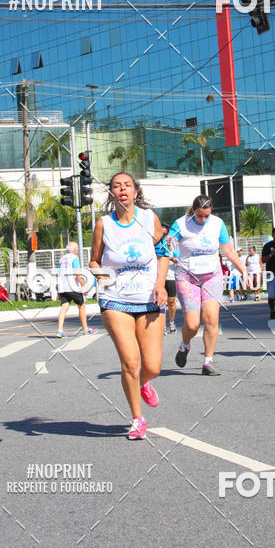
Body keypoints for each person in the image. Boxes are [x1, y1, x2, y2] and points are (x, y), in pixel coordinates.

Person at [89, 173, 168, 440]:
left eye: (127, 185)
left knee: (153, 366)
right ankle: (137, 418)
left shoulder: (149, 219)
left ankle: (144, 383)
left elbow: (163, 252)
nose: (122, 189)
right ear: (112, 195)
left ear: (135, 192)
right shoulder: (103, 225)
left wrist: (160, 284)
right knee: (130, 362)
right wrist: (99, 276)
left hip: (149, 298)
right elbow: (95, 261)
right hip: (115, 300)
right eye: (116, 186)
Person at [168, 194, 247, 376]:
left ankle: (208, 362)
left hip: (212, 276)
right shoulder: (181, 224)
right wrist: (171, 251)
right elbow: (169, 245)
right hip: (187, 277)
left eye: (206, 216)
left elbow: (228, 250)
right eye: (199, 216)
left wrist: (242, 270)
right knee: (193, 324)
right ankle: (185, 345)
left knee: (212, 319)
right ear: (193, 211)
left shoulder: (217, 224)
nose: (203, 219)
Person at [56, 242, 97, 337]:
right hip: (73, 287)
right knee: (82, 306)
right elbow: (77, 274)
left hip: (63, 288)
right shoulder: (74, 258)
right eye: (77, 248)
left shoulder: (62, 259)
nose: (78, 250)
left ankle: (60, 331)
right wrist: (84, 286)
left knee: (64, 307)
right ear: (74, 249)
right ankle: (85, 329)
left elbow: (58, 274)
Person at [160, 223, 180, 333]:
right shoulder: (156, 246)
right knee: (161, 302)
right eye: (162, 235)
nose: (165, 237)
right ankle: (161, 326)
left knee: (171, 301)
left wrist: (171, 258)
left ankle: (171, 323)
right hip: (160, 278)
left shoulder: (174, 247)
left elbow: (180, 261)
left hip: (171, 277)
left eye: (166, 235)